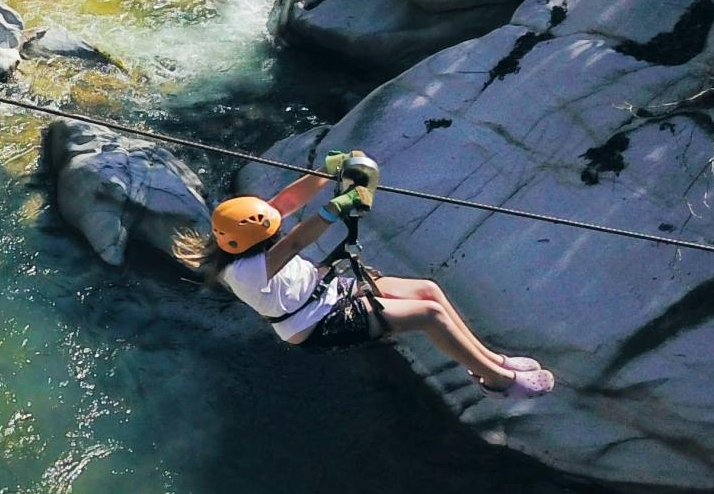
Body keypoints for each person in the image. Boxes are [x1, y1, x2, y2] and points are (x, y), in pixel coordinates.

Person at [174, 151, 556, 398]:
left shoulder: (236, 238)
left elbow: (282, 204)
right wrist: (337, 208)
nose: (276, 225)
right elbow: (292, 244)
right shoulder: (243, 272)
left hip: (324, 293)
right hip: (316, 323)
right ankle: (498, 381)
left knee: (427, 290)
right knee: (429, 315)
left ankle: (492, 358)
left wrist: (327, 170)